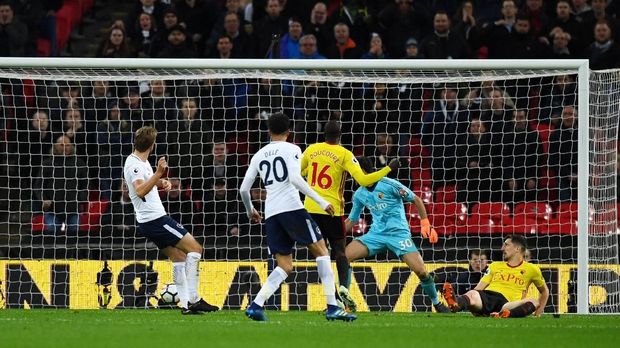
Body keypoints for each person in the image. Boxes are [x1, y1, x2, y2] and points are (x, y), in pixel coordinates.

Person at [239, 113, 356, 322]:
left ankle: (256, 305)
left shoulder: (259, 154)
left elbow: (244, 189)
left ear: (268, 131)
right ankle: (332, 306)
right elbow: (294, 178)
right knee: (322, 251)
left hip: (272, 214)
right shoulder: (293, 149)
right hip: (292, 208)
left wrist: (251, 211)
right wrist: (321, 201)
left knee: (284, 266)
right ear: (289, 131)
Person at [300, 121, 399, 312]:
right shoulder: (345, 154)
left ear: (323, 134)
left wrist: (311, 172)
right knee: (340, 252)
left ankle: (333, 299)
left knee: (322, 254)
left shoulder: (311, 150)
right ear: (339, 136)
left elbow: (299, 173)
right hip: (332, 210)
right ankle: (344, 287)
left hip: (310, 209)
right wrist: (388, 169)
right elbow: (364, 179)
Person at [123, 126, 218, 314]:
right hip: (155, 219)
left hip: (148, 220)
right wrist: (159, 173)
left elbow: (145, 182)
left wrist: (160, 181)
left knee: (179, 257)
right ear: (152, 145)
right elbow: (140, 190)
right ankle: (194, 299)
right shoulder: (134, 164)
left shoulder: (141, 162)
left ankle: (185, 305)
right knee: (196, 249)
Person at [343, 157, 449, 313]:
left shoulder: (388, 184)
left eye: (354, 172)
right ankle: (345, 302)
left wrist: (425, 222)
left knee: (422, 272)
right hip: (376, 235)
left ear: (362, 171)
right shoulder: (359, 194)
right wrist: (333, 233)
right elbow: (352, 220)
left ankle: (437, 303)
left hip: (398, 235)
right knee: (344, 257)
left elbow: (417, 199)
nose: (352, 175)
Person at [442, 235, 549, 318]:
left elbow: (544, 291)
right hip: (488, 297)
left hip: (508, 304)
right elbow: (479, 288)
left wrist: (537, 314)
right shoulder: (494, 265)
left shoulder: (532, 269)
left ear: (517, 248)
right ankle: (456, 304)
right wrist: (473, 307)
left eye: (506, 245)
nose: (502, 248)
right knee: (473, 294)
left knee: (534, 301)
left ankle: (506, 315)